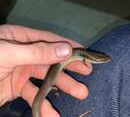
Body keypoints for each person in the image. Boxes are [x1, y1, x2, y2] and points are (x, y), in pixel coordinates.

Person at [0, 23, 130, 117]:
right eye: (103, 60)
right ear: (93, 59)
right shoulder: (85, 58)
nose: (106, 60)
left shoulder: (85, 57)